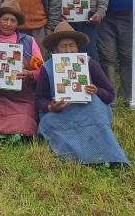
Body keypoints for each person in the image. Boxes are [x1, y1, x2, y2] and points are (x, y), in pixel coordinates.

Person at [36, 21, 129, 165]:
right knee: (48, 122)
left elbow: (110, 95)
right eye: (63, 46)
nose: (68, 50)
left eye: (72, 45)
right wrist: (50, 107)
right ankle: (75, 155)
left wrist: (96, 91)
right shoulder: (47, 68)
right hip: (61, 112)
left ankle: (108, 155)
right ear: (55, 50)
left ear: (78, 48)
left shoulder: (89, 64)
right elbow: (39, 99)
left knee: (97, 111)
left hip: (88, 109)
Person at [0, 0, 44, 140]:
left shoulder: (28, 41)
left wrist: (29, 74)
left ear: (17, 24)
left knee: (25, 121)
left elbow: (42, 71)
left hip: (23, 97)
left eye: (13, 21)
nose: (8, 24)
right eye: (5, 19)